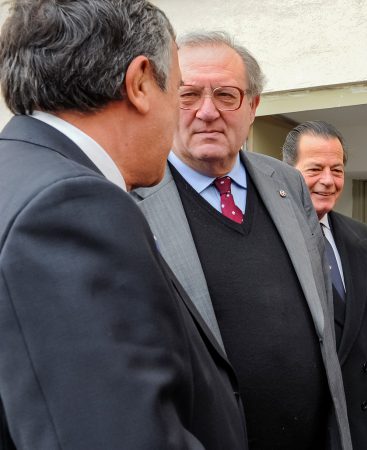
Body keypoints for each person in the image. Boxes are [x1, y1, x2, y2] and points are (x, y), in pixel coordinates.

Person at [0, 1, 247, 449]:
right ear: (139, 84)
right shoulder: (70, 205)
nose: (183, 114)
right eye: (180, 93)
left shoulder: (17, 172)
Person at [132, 31, 351, 449]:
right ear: (164, 101)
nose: (207, 112)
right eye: (188, 94)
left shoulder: (287, 183)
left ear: (252, 106)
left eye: (227, 96)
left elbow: (320, 307)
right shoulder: (132, 195)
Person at [284, 121, 367, 450]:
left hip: (357, 420)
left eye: (337, 169)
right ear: (287, 171)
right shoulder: (267, 235)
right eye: (314, 169)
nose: (328, 181)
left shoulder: (361, 237)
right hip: (299, 424)